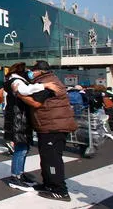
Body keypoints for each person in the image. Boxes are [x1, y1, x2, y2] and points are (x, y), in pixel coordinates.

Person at [18, 60, 77, 202]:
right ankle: (48, 185)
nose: (31, 72)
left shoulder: (49, 83)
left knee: (52, 158)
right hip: (48, 125)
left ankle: (59, 190)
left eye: (33, 69)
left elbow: (36, 103)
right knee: (46, 157)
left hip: (53, 126)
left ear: (41, 71)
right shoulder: (46, 81)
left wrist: (19, 94)